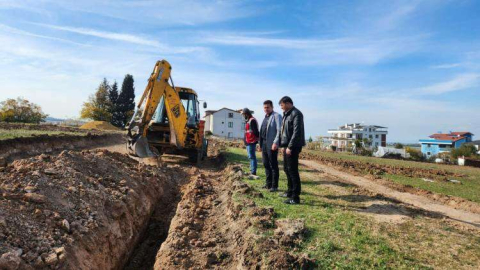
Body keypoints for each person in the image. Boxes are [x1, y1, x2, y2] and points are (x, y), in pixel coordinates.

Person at [278, 96, 305, 204]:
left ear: (288, 103)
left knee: (292, 170)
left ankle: (295, 196)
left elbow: (296, 132)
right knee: (286, 168)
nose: (281, 108)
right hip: (287, 145)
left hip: (293, 146)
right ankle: (289, 191)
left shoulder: (296, 114)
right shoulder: (287, 114)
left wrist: (290, 146)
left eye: (282, 105)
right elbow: (284, 131)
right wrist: (283, 146)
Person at [259, 100, 282, 192]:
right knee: (266, 164)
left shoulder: (276, 116)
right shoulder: (265, 117)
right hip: (264, 144)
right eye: (265, 107)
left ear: (272, 107)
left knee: (273, 165)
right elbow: (262, 131)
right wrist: (260, 144)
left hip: (272, 144)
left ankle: (274, 186)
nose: (266, 109)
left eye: (268, 107)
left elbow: (279, 130)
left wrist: (276, 142)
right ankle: (268, 184)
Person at [242, 108, 259, 175]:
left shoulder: (252, 120)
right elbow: (247, 132)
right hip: (248, 141)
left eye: (244, 114)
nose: (243, 116)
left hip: (251, 141)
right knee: (250, 156)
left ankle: (253, 171)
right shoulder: (248, 120)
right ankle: (252, 169)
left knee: (252, 156)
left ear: (246, 114)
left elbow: (256, 132)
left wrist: (257, 140)